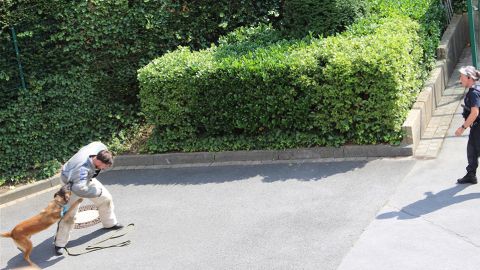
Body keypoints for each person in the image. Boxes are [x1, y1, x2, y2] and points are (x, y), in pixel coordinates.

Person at [54, 141, 123, 255]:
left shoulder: (98, 149)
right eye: (104, 166)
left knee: (106, 199)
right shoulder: (82, 169)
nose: (104, 169)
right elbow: (79, 189)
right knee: (70, 215)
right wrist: (97, 191)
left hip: (86, 179)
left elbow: (98, 143)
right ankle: (59, 243)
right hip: (72, 184)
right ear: (98, 160)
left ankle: (109, 223)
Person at [455, 66, 480, 184]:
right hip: (476, 129)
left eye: (462, 77)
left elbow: (475, 112)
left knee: (473, 149)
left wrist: (462, 127)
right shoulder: (476, 88)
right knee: (472, 150)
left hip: (478, 128)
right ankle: (471, 174)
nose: (460, 79)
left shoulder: (473, 93)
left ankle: (471, 174)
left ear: (470, 78)